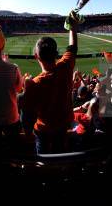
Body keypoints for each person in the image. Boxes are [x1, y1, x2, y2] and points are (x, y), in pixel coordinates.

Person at [23, 12, 80, 154]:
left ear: (36, 56)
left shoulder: (33, 83)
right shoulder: (66, 66)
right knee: (60, 152)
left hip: (43, 130)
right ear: (56, 53)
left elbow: (28, 114)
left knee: (43, 157)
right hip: (63, 126)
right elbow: (73, 47)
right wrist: (72, 27)